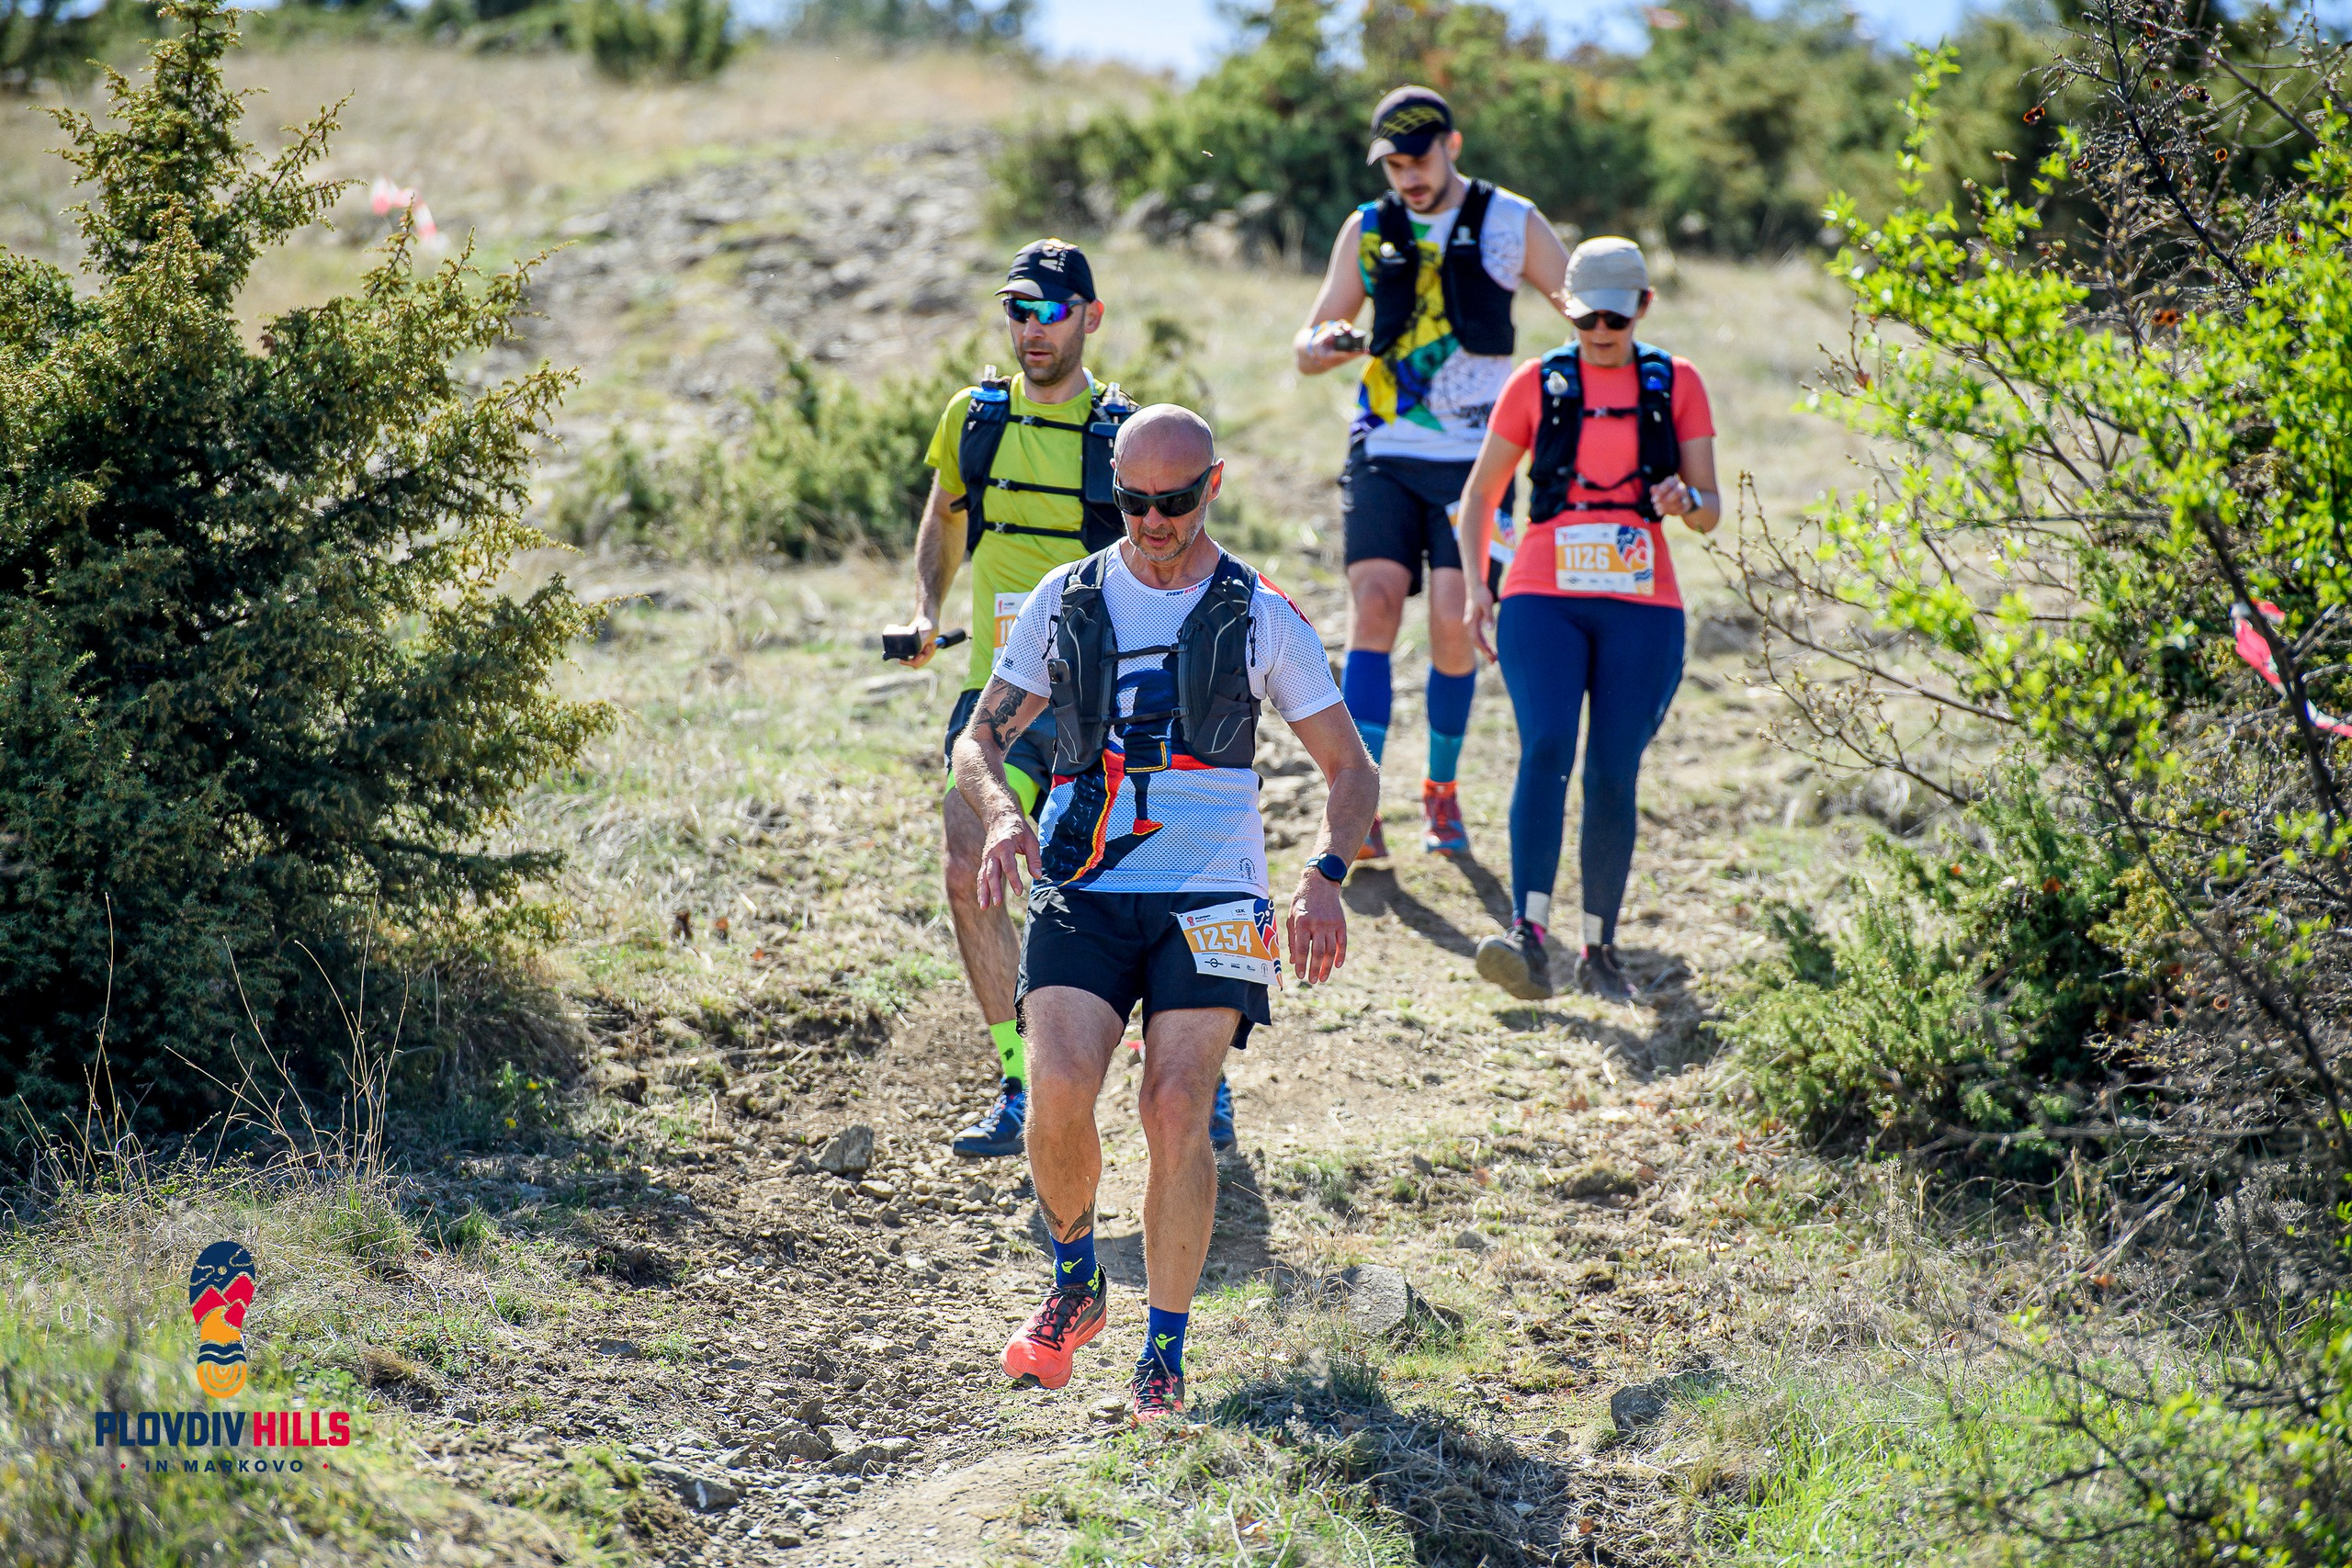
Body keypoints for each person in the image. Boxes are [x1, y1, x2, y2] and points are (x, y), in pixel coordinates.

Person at [951, 405, 1378, 1423]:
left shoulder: (1260, 612)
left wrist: (1324, 875)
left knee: (1176, 1108)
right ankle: (1074, 1281)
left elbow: (1350, 769)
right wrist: (1004, 815)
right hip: (1082, 880)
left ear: (1212, 487)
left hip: (1211, 892)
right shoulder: (1066, 597)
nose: (1151, 520)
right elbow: (978, 738)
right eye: (1133, 501)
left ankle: (1164, 1353)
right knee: (1055, 1086)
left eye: (1174, 501)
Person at [1294, 85, 1572, 863]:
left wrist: (1565, 394)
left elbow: (1580, 310)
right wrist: (1328, 345)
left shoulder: (1511, 221)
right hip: (1382, 447)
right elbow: (1308, 338)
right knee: (1374, 608)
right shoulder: (1369, 225)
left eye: (1419, 160)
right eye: (1394, 165)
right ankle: (1362, 797)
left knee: (1454, 621)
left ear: (1453, 143)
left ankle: (1440, 790)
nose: (1408, 178)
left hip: (1480, 462)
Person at [1455, 236, 1720, 1001]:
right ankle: (1527, 935)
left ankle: (1600, 947)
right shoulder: (1537, 382)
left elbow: (1710, 510)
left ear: (1642, 307)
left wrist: (1684, 502)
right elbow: (1481, 494)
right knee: (1545, 747)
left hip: (1643, 603)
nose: (1598, 330)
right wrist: (1480, 586)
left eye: (1613, 315)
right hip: (1542, 592)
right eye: (1582, 317)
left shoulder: (1679, 383)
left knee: (1612, 768)